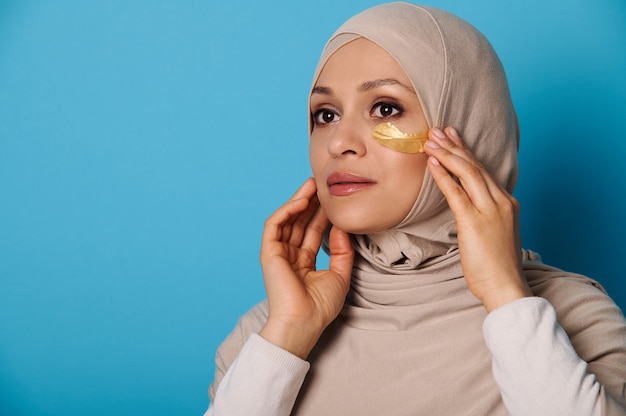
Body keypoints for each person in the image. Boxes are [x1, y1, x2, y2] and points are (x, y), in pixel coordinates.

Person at [204, 3, 626, 415]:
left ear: (473, 124)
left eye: (386, 109)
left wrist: (505, 295)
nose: (338, 143)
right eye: (326, 114)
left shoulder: (576, 321)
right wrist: (288, 335)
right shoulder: (265, 334)